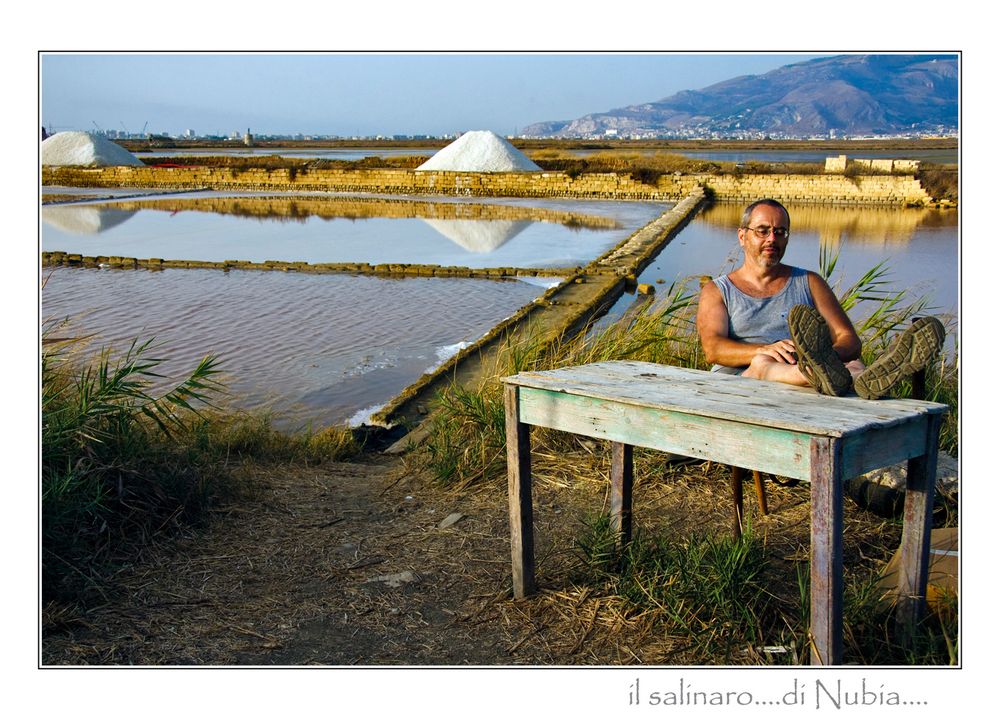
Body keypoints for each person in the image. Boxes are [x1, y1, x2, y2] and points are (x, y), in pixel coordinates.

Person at [696, 198, 944, 398]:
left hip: (802, 379)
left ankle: (864, 380)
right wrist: (766, 350)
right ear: (742, 236)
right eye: (762, 231)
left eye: (780, 231)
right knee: (763, 363)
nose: (772, 238)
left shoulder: (809, 282)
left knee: (854, 363)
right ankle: (816, 374)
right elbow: (713, 350)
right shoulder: (718, 290)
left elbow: (849, 340)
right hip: (740, 386)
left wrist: (821, 358)